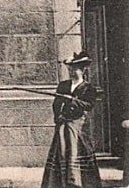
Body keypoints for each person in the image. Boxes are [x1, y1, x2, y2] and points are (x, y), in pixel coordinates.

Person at [42, 51, 102, 188]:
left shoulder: (88, 88)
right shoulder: (63, 85)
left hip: (79, 126)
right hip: (63, 125)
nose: (72, 72)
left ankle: (78, 183)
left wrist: (74, 101)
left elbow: (89, 105)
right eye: (70, 69)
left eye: (75, 70)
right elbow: (56, 104)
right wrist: (59, 117)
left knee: (77, 153)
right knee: (61, 152)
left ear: (82, 71)